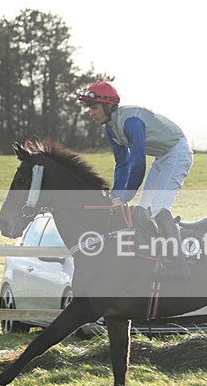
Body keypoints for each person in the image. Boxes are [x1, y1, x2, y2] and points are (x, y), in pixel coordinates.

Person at [77, 81, 193, 278]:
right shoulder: (110, 128)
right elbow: (122, 164)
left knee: (159, 209)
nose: (91, 113)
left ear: (108, 106)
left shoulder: (131, 122)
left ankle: (181, 265)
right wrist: (115, 194)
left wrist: (125, 196)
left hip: (177, 153)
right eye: (89, 108)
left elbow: (138, 163)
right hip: (162, 157)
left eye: (94, 108)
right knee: (141, 211)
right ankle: (157, 253)